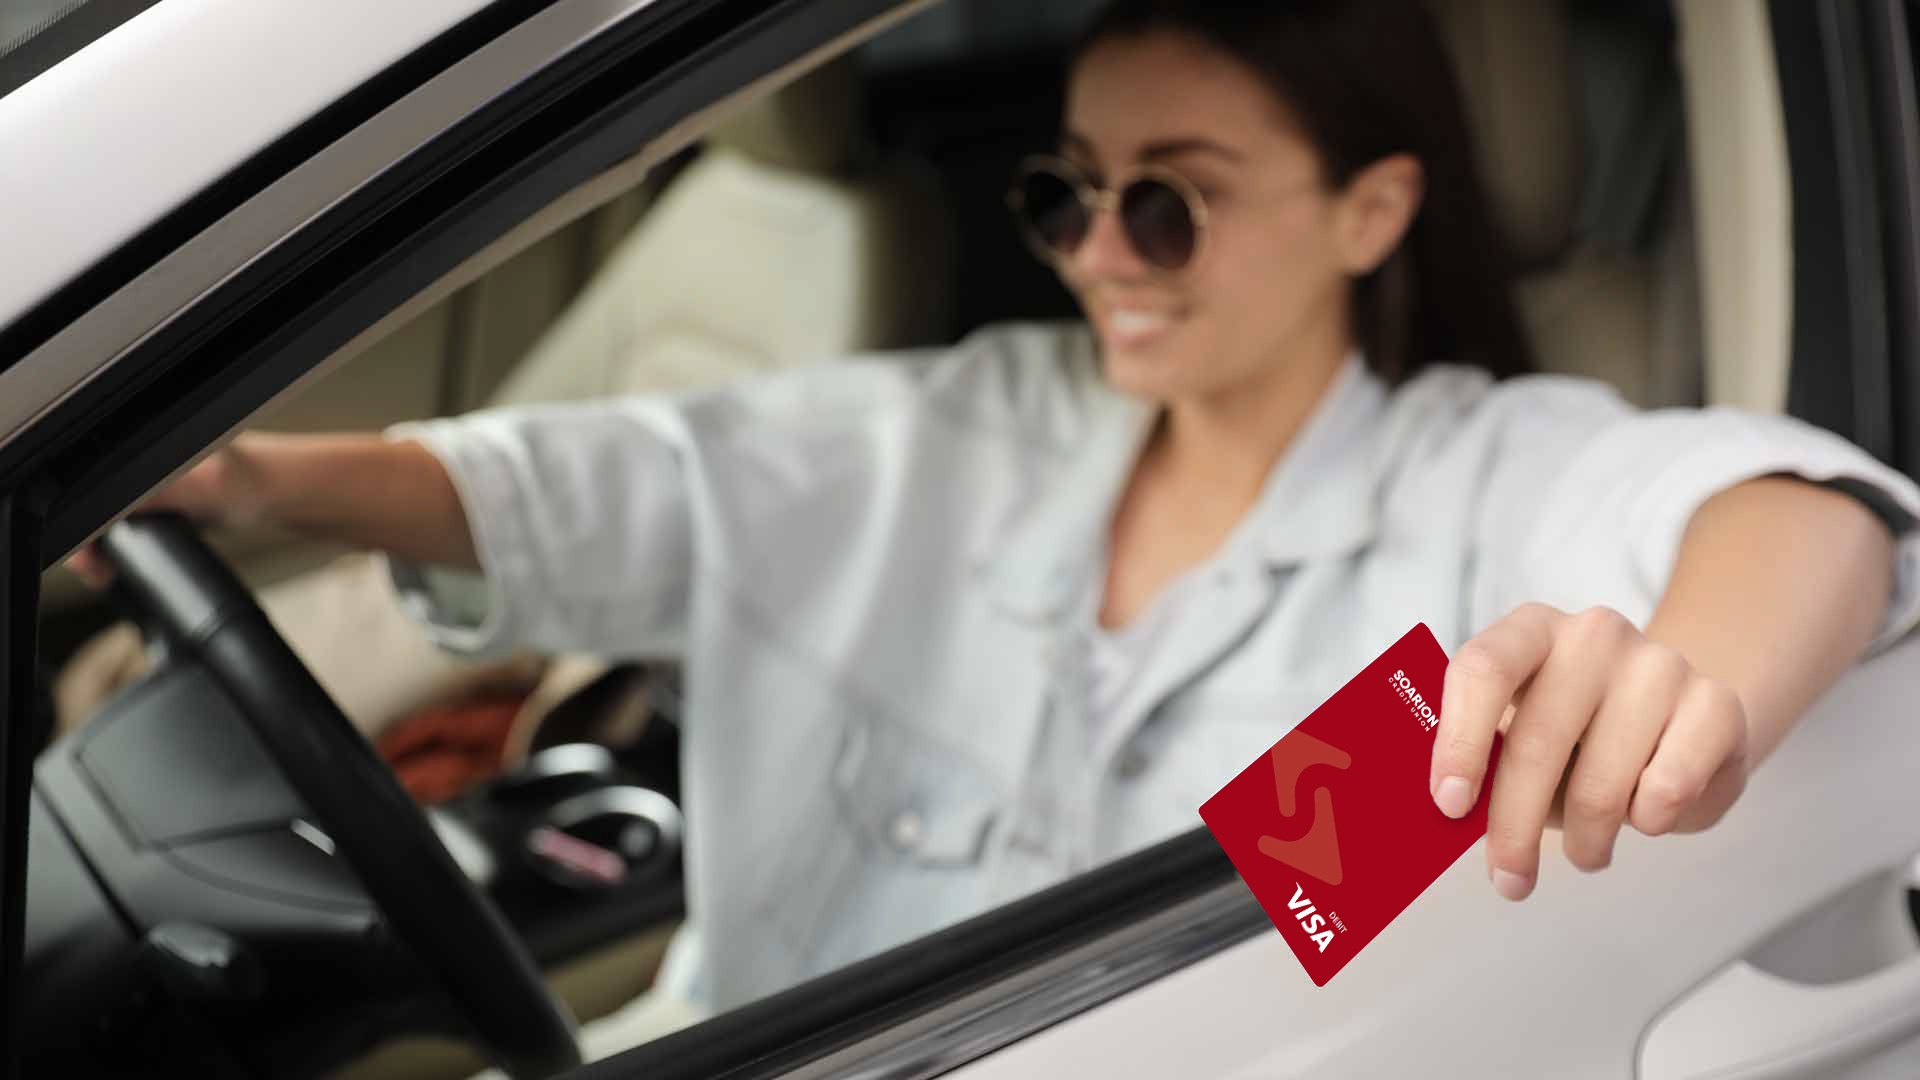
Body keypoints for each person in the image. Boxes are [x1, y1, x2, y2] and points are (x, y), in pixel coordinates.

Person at [68, 0, 1920, 1040]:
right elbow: (620, 481)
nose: (1099, 259)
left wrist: (1674, 676)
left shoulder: (1480, 474)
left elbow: (1791, 512)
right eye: (1071, 194)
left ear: (1372, 212)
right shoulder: (967, 426)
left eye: (1171, 207)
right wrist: (259, 477)